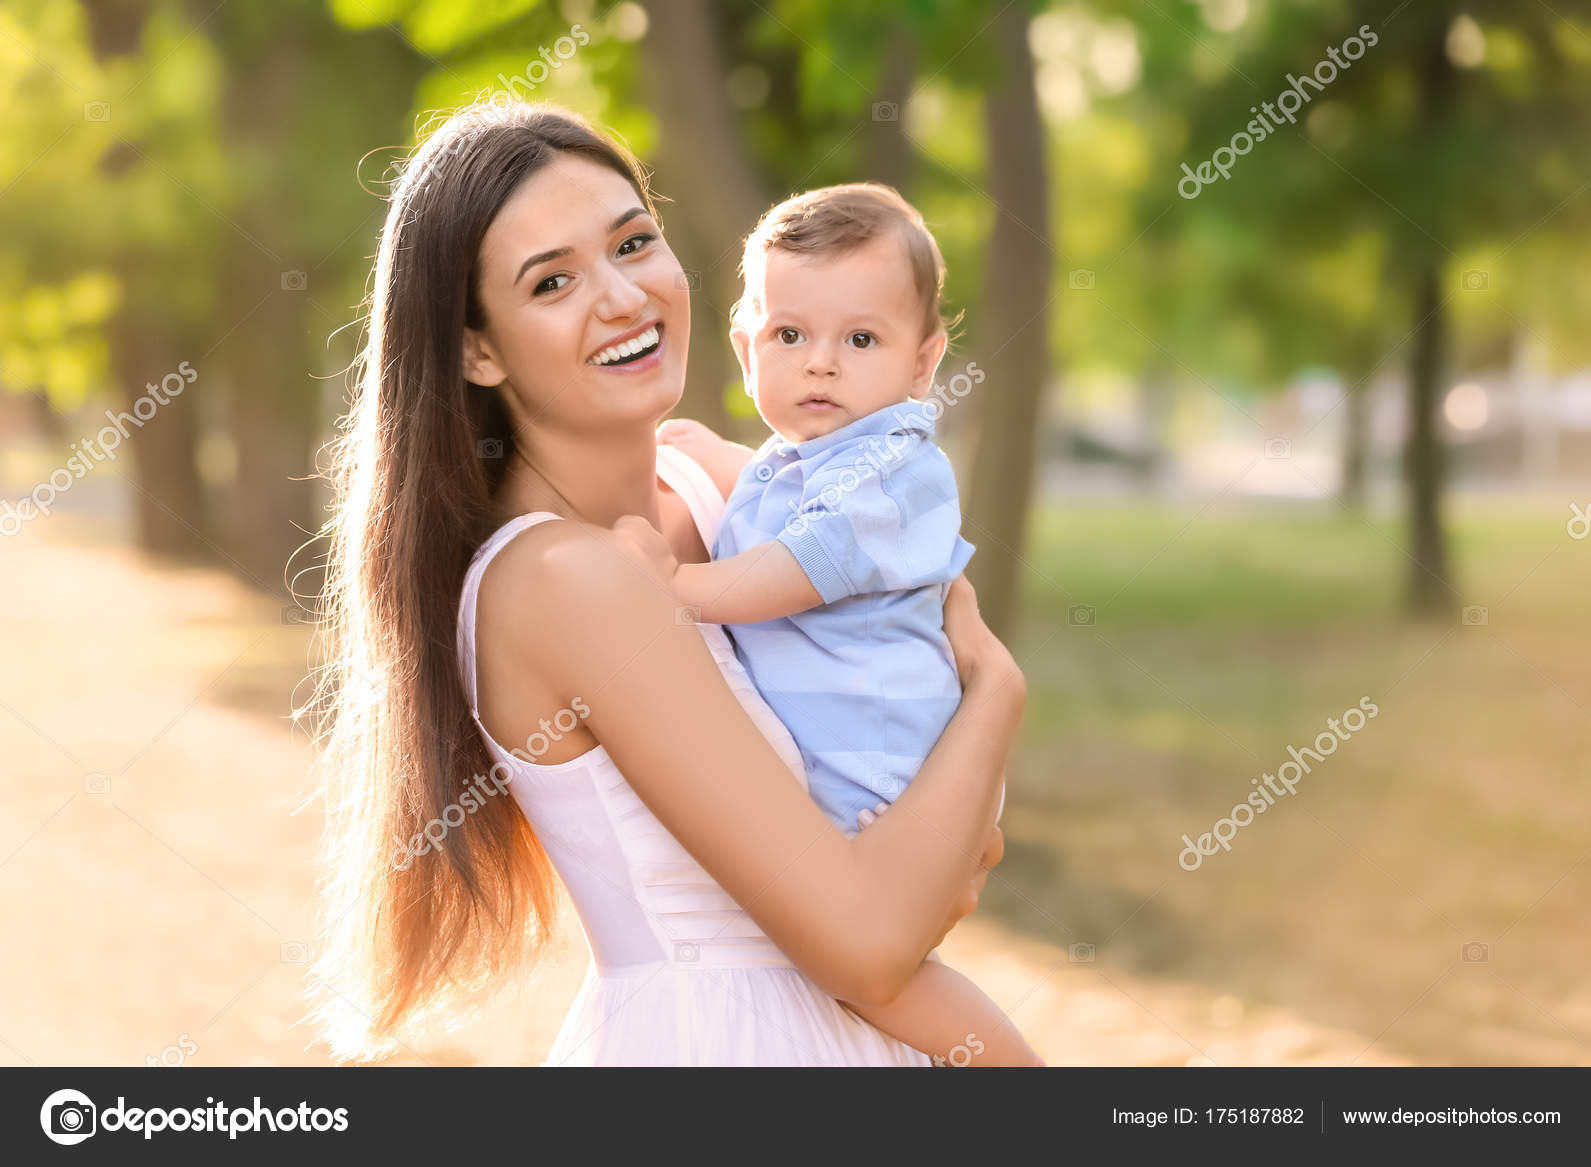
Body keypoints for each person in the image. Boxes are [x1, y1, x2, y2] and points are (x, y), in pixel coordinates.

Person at [303, 100, 1023, 1066]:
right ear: (477, 348)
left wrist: (942, 837)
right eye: (552, 281)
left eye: (633, 242)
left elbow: (941, 846)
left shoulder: (713, 481)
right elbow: (871, 939)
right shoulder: (567, 579)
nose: (621, 297)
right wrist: (997, 699)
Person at [616, 184, 1040, 1066]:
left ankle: (1010, 1067)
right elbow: (788, 498)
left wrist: (681, 586)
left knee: (863, 960)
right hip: (858, 750)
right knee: (840, 965)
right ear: (746, 347)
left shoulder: (897, 465)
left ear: (923, 365)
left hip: (889, 762)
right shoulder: (805, 459)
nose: (820, 363)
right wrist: (724, 457)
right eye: (790, 335)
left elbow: (792, 571)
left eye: (860, 339)